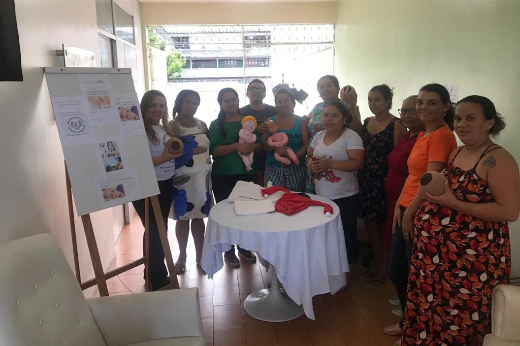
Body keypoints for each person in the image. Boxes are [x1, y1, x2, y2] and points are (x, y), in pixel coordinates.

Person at [402, 95, 519, 346]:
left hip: (471, 260)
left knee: (461, 316)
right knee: (433, 310)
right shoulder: (456, 153)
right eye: (458, 118)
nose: (462, 124)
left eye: (470, 118)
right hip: (436, 257)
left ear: (489, 122)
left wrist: (454, 204)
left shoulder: (497, 159)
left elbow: (509, 211)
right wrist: (411, 212)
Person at [385, 83, 457, 345]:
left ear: (446, 106)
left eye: (432, 102)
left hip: (423, 211)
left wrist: (409, 213)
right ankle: (409, 322)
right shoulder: (423, 134)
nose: (423, 108)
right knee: (398, 270)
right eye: (420, 103)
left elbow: (430, 180)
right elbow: (412, 175)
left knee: (416, 275)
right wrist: (398, 207)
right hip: (407, 207)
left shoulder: (441, 135)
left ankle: (416, 330)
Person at [380, 95, 425, 336]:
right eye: (404, 110)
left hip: (412, 206)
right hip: (399, 200)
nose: (407, 115)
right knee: (399, 262)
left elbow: (425, 178)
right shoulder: (409, 135)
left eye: (412, 110)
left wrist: (405, 208)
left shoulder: (429, 137)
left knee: (407, 263)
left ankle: (412, 319)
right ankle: (406, 305)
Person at [132, 90, 182, 291]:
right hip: (146, 186)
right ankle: (158, 278)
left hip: (165, 184)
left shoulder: (162, 129)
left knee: (158, 230)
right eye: (153, 104)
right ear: (145, 106)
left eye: (161, 105)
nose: (158, 109)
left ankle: (151, 272)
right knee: (155, 231)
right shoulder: (138, 130)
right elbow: (140, 161)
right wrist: (166, 158)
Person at [358, 84, 407, 286]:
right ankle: (378, 262)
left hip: (385, 181)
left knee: (385, 227)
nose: (373, 103)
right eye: (370, 99)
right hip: (366, 180)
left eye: (377, 99)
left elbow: (398, 157)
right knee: (371, 226)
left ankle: (385, 268)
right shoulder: (367, 122)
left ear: (388, 101)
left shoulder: (397, 125)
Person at [209, 87, 262, 267]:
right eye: (226, 100)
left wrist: (252, 147)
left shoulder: (248, 121)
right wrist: (236, 146)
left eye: (234, 99)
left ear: (239, 100)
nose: (231, 103)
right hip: (223, 175)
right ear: (221, 104)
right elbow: (214, 150)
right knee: (227, 214)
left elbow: (260, 145)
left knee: (245, 213)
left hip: (247, 174)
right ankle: (229, 250)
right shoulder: (216, 124)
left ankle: (244, 246)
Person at [307, 101, 364, 265]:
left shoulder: (351, 136)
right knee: (326, 233)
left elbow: (357, 163)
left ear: (344, 119)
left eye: (335, 115)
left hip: (344, 195)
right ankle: (329, 266)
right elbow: (309, 156)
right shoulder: (318, 136)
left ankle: (349, 269)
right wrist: (310, 163)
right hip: (321, 195)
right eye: (326, 115)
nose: (329, 119)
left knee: (346, 233)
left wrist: (329, 164)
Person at [170, 89, 212, 275]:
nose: (192, 105)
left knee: (199, 217)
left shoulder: (202, 124)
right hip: (182, 180)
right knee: (183, 218)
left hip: (203, 180)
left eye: (195, 102)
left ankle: (200, 256)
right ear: (180, 103)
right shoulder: (172, 126)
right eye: (188, 102)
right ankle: (182, 255)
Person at [302, 75, 363, 193]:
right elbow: (309, 131)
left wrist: (352, 107)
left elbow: (358, 132)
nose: (325, 89)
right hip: (316, 158)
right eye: (321, 87)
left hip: (339, 161)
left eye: (329, 85)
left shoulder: (348, 105)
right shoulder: (317, 108)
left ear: (337, 89)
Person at [261, 88, 309, 191]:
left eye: (286, 100)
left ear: (293, 102)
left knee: (296, 201)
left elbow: (306, 145)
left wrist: (292, 159)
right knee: (273, 201)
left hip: (297, 169)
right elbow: (264, 146)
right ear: (276, 104)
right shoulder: (269, 121)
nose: (283, 103)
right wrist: (276, 147)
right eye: (279, 101)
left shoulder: (301, 121)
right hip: (273, 169)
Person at [240, 79, 278, 186]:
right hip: (250, 157)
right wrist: (256, 131)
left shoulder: (274, 111)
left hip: (272, 156)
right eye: (253, 89)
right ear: (247, 93)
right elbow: (239, 134)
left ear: (265, 94)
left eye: (260, 89)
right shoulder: (241, 112)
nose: (257, 91)